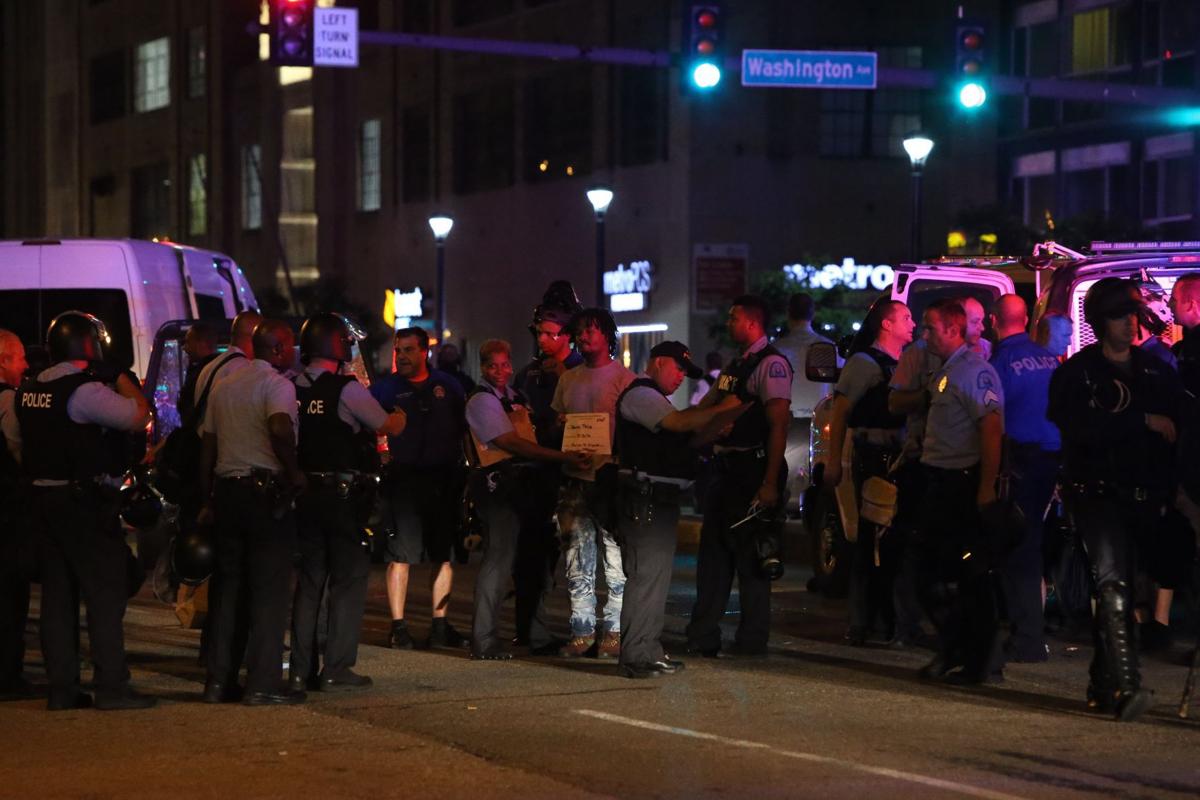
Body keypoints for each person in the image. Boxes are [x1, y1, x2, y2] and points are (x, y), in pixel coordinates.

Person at [1048, 278, 1181, 722]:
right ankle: (1127, 685)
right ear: (1100, 322)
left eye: (1132, 314)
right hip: (1096, 494)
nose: (1129, 323)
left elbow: (1177, 430)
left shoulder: (1156, 371)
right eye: (1119, 316)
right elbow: (1078, 428)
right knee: (1113, 586)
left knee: (1125, 587)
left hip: (1145, 496)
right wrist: (1140, 421)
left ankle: (1100, 683)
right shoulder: (1077, 374)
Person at [15, 312, 155, 710]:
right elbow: (138, 415)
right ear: (88, 346)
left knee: (58, 599)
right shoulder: (85, 392)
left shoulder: (29, 390)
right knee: (105, 593)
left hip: (43, 502)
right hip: (84, 506)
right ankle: (112, 687)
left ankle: (62, 689)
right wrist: (123, 376)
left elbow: (17, 442)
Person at [288, 313, 406, 692]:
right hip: (340, 500)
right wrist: (401, 414)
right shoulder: (347, 388)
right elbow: (385, 425)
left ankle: (301, 669)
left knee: (308, 585)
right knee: (347, 581)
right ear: (337, 346)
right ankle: (336, 668)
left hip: (303, 495)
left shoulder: (288, 385)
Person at [615, 341, 742, 678]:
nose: (682, 376)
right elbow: (678, 424)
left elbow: (685, 436)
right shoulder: (640, 395)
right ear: (658, 362)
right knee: (647, 579)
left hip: (659, 498)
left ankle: (647, 650)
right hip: (646, 497)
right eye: (679, 368)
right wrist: (722, 408)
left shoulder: (655, 399)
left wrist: (717, 416)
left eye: (687, 372)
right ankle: (637, 655)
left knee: (655, 580)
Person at [198, 319, 306, 706]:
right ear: (277, 350)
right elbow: (279, 429)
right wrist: (295, 474)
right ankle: (262, 684)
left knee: (228, 591)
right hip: (264, 495)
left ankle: (218, 681)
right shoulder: (278, 385)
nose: (294, 352)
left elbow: (207, 447)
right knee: (269, 592)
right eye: (290, 346)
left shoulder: (224, 385)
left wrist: (208, 498)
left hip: (227, 492)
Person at [465, 339, 590, 660]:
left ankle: (533, 633)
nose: (500, 371)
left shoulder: (516, 397)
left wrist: (557, 425)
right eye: (493, 365)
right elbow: (513, 443)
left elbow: (532, 437)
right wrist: (562, 456)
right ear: (483, 366)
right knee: (499, 560)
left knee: (532, 563)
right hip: (499, 487)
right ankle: (483, 639)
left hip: (525, 485)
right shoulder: (481, 401)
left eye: (505, 364)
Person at [686, 295, 793, 658]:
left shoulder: (772, 364)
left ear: (751, 322)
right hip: (725, 471)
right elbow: (709, 408)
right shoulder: (738, 364)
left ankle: (751, 640)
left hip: (752, 470)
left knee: (752, 562)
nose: (728, 323)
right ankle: (703, 636)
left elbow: (779, 425)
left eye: (733, 318)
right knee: (713, 559)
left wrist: (768, 483)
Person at [911, 299, 1005, 685]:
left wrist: (985, 488)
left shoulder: (974, 372)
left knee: (966, 576)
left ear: (953, 329)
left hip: (961, 484)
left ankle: (973, 656)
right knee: (929, 573)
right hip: (938, 480)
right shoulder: (946, 370)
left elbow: (991, 429)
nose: (923, 334)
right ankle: (958, 649)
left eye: (930, 327)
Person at [371, 327, 469, 650]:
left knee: (444, 555)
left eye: (410, 350)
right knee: (400, 555)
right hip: (404, 481)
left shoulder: (448, 386)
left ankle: (439, 625)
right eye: (399, 351)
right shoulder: (385, 390)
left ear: (425, 351)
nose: (403, 357)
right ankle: (398, 626)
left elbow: (464, 429)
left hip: (443, 480)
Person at [823, 300, 915, 645]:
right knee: (870, 541)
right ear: (886, 325)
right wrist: (833, 462)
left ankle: (890, 620)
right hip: (874, 455)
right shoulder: (864, 363)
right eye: (905, 317)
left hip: (899, 456)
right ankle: (863, 623)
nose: (913, 322)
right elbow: (841, 411)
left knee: (893, 541)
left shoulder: (904, 363)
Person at [551, 308, 635, 658]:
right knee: (576, 560)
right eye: (580, 332)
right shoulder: (568, 379)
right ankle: (581, 632)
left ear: (607, 335)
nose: (584, 338)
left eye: (591, 331)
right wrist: (564, 429)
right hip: (573, 480)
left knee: (615, 562)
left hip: (609, 480)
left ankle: (613, 631)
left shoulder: (624, 379)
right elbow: (558, 419)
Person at [989, 294, 1059, 664]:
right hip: (1051, 459)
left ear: (992, 320)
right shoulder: (1048, 358)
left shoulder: (1001, 360)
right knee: (1030, 543)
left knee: (1018, 547)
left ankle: (1027, 637)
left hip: (1019, 461)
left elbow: (991, 417)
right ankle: (1029, 631)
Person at [513, 287, 583, 653]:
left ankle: (582, 631)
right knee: (532, 558)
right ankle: (531, 629)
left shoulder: (582, 373)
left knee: (577, 558)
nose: (542, 339)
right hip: (535, 474)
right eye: (539, 332)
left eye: (549, 333)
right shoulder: (527, 374)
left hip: (572, 474)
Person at [0, 330, 31, 696]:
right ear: (4, 360)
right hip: (8, 511)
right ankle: (9, 675)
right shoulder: (8, 402)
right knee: (10, 597)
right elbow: (19, 450)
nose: (25, 364)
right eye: (20, 357)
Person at [771, 293, 834, 419]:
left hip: (785, 423)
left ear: (788, 314)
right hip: (820, 421)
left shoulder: (775, 349)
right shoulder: (830, 348)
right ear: (813, 314)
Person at [179, 322, 220, 421]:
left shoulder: (204, 373)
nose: (184, 348)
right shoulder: (219, 368)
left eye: (188, 342)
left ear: (202, 344)